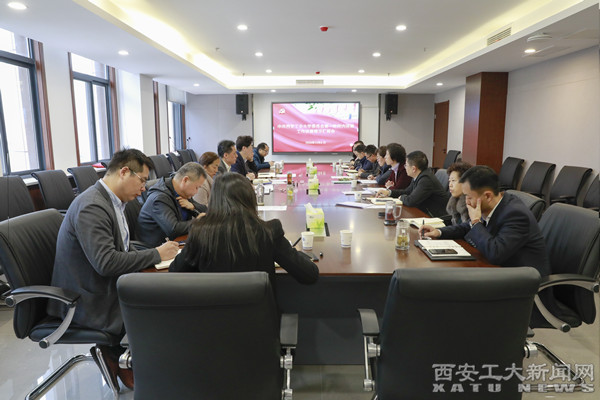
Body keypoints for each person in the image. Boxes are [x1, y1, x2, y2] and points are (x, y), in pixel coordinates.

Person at [47, 149, 180, 390]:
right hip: (85, 299)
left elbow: (123, 249)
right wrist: (156, 254)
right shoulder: (92, 206)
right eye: (142, 180)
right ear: (124, 172)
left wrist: (155, 255)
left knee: (166, 292)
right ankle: (124, 356)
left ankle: (137, 358)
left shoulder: (112, 201)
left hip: (100, 285)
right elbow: (106, 263)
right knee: (162, 302)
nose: (144, 188)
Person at [170, 173, 320, 286]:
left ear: (214, 200)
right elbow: (309, 275)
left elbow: (175, 272)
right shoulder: (269, 231)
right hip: (260, 318)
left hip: (211, 317)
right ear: (250, 198)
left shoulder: (200, 232)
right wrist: (294, 253)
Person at [419, 165, 550, 277]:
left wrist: (476, 221)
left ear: (487, 196)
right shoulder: (494, 204)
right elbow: (467, 226)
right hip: (499, 272)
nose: (466, 202)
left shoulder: (516, 215)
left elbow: (495, 253)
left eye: (469, 197)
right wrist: (439, 232)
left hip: (523, 284)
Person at [138, 162, 208, 247]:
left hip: (175, 242)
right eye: (196, 187)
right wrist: (198, 222)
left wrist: (193, 206)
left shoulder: (182, 192)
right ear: (185, 180)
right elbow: (173, 229)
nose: (196, 192)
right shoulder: (159, 198)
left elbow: (206, 211)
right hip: (154, 248)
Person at [377, 150, 449, 217]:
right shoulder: (418, 176)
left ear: (414, 169)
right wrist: (389, 192)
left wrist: (401, 197)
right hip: (424, 212)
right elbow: (407, 191)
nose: (405, 168)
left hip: (434, 216)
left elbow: (411, 201)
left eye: (406, 165)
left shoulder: (426, 180)